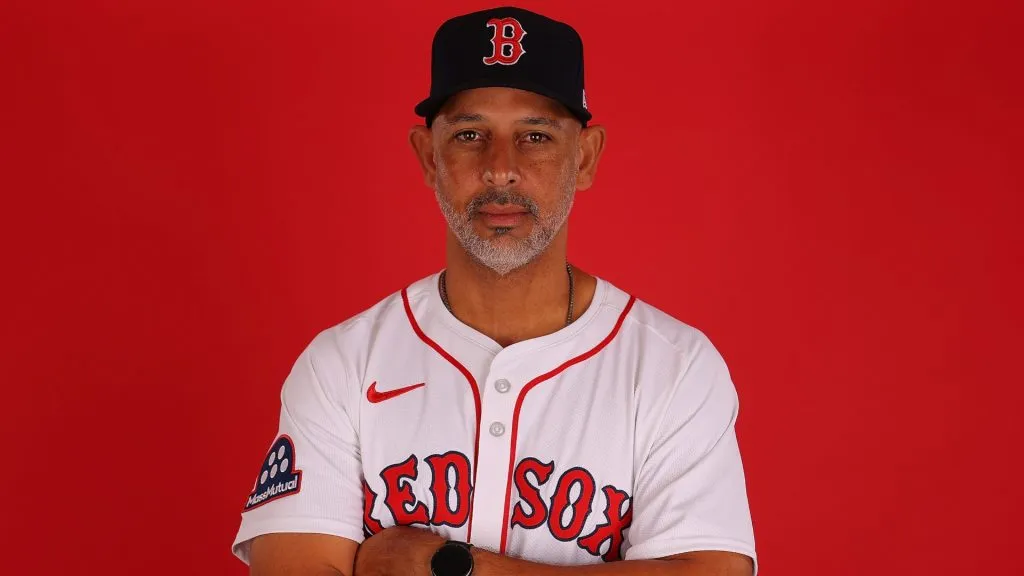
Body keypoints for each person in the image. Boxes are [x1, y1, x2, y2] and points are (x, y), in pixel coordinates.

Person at [230, 6, 757, 576]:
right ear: (429, 156)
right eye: (469, 135)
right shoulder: (342, 364)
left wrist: (450, 567)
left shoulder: (674, 368)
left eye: (535, 136)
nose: (500, 169)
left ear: (584, 157)